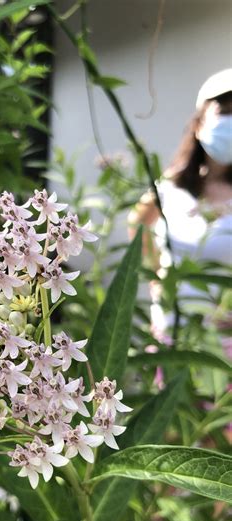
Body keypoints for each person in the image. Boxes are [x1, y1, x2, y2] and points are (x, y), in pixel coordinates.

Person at [129, 69, 232, 345]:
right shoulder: (170, 187)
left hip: (223, 346)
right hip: (169, 337)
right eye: (224, 111)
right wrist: (154, 274)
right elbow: (137, 222)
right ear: (199, 124)